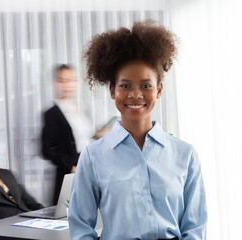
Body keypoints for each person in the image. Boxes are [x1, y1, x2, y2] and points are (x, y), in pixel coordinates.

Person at [68, 20, 207, 240]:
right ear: (112, 90)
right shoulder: (93, 157)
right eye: (125, 86)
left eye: (145, 85)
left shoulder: (185, 155)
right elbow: (80, 229)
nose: (135, 94)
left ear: (159, 90)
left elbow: (195, 229)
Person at [42, 64, 94, 205]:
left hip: (88, 166)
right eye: (61, 80)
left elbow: (85, 139)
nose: (67, 84)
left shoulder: (84, 109)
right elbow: (47, 150)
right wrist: (70, 167)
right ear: (55, 83)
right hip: (70, 169)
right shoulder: (52, 113)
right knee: (67, 212)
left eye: (71, 80)